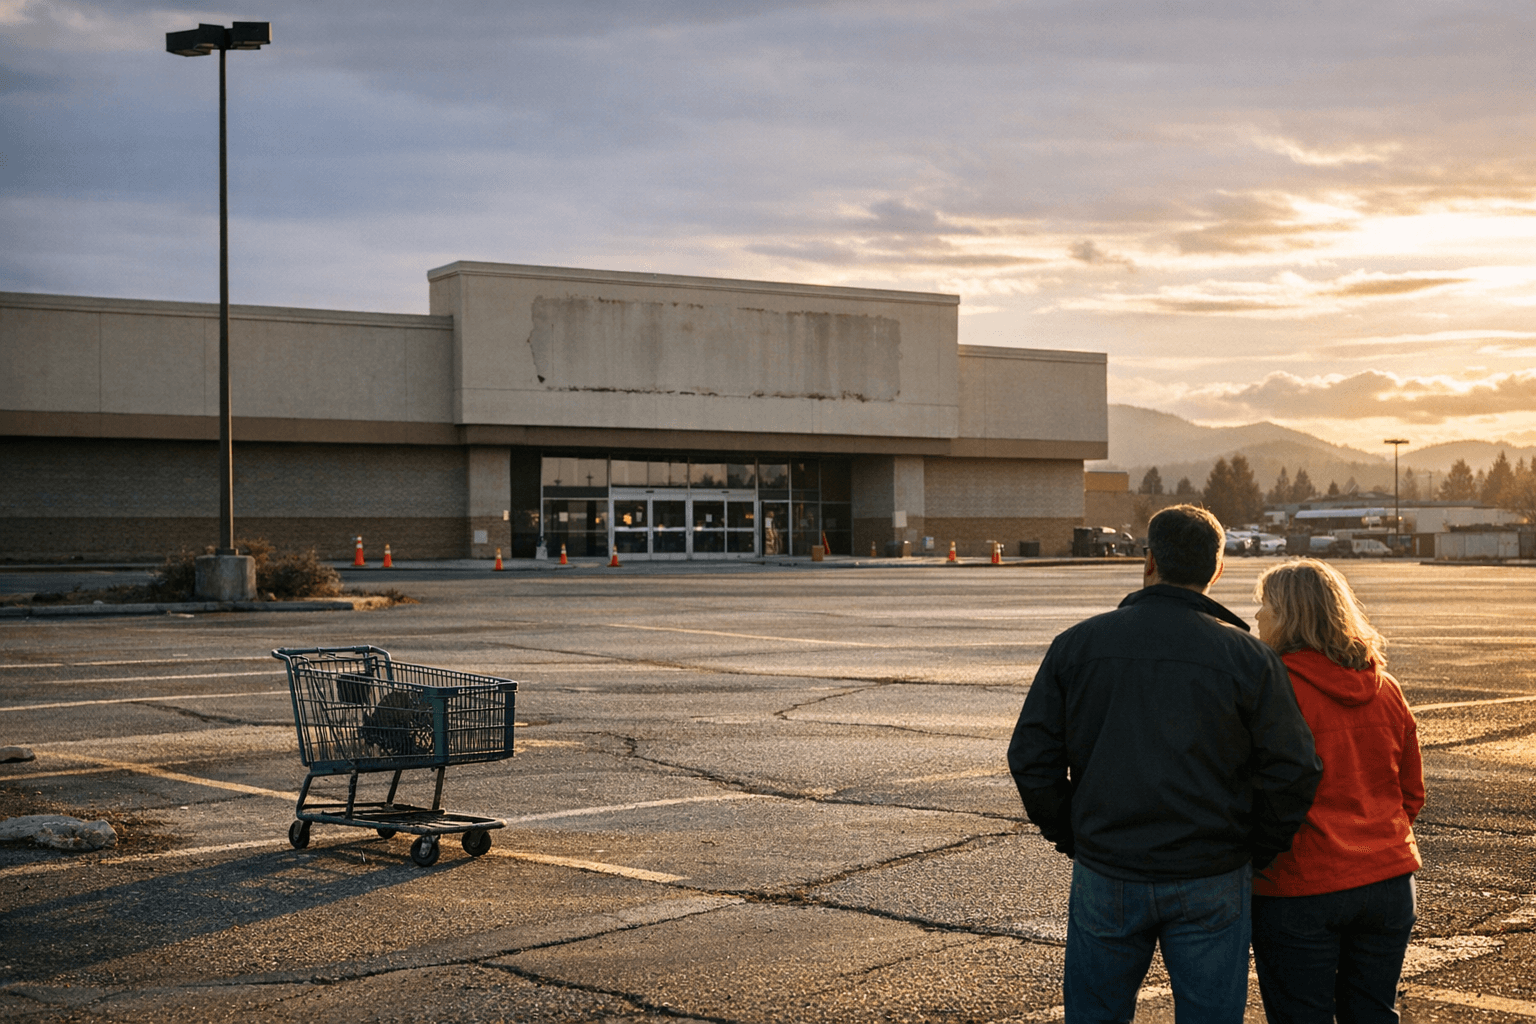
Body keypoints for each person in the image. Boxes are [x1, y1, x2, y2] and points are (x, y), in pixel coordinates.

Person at [1008, 504, 1323, 1023]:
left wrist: (1074, 834)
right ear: (1216, 569)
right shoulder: (1250, 658)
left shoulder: (1077, 646)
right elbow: (1294, 769)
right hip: (1212, 871)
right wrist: (1253, 847)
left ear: (1149, 560)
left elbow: (1031, 757)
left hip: (1109, 867)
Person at [1250, 559, 1425, 1023]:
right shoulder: (1386, 687)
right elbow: (1411, 792)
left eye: (1265, 605)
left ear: (1289, 616)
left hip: (1300, 883)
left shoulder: (1274, 689)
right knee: (1373, 1013)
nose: (1257, 616)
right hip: (1388, 879)